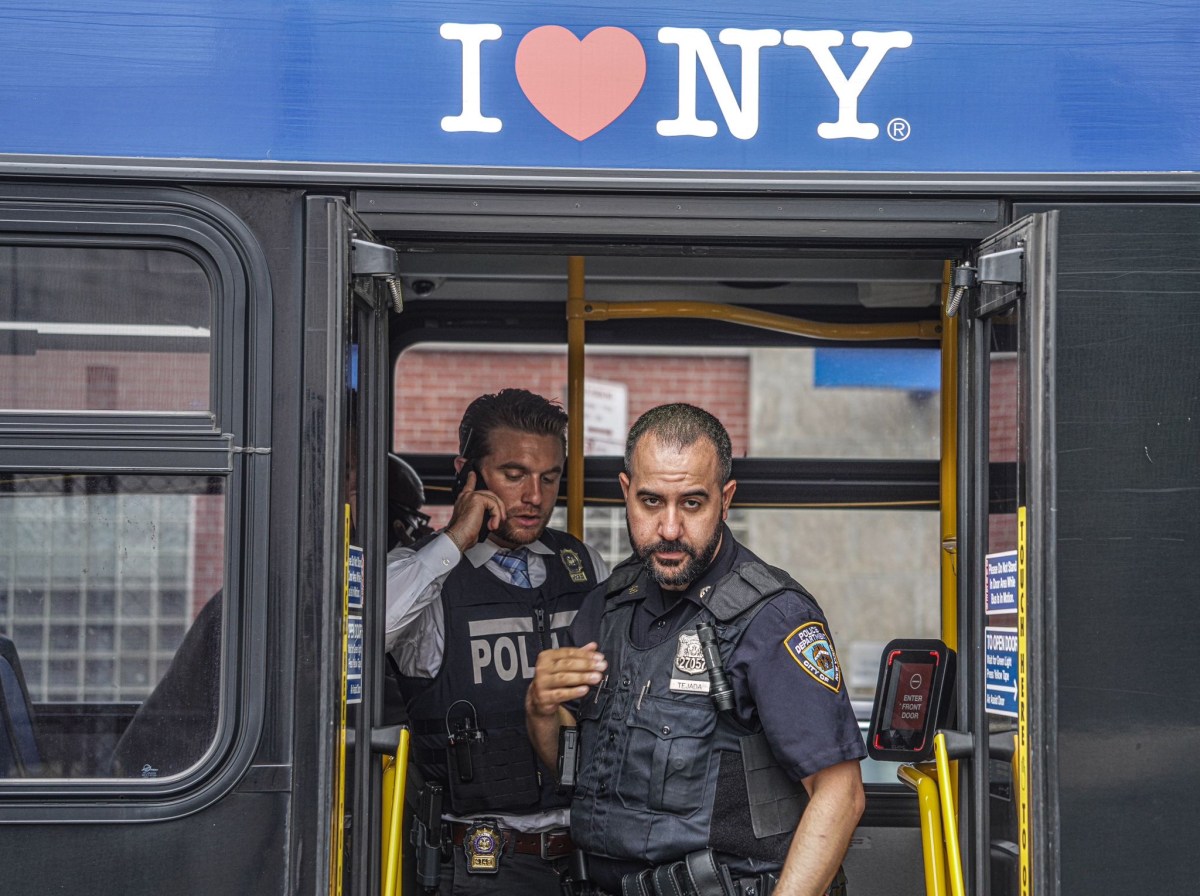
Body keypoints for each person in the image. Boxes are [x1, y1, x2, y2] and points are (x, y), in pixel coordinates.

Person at [526, 403, 866, 896]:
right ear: (626, 493)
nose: (668, 528)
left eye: (691, 503)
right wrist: (539, 708)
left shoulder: (772, 618)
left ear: (725, 500)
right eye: (650, 502)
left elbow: (841, 793)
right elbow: (573, 769)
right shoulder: (605, 607)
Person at [386, 388, 610, 895]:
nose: (534, 496)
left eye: (549, 478)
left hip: (585, 861)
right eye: (514, 475)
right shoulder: (421, 573)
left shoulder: (583, 567)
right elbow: (352, 636)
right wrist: (455, 541)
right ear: (468, 473)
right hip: (477, 865)